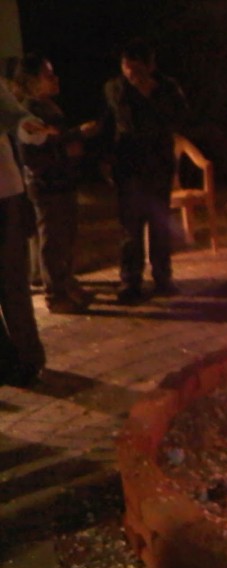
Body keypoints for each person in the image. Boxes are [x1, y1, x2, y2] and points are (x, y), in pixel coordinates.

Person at [102, 38, 188, 304]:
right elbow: (123, 121)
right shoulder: (116, 88)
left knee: (160, 225)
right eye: (126, 68)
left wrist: (151, 93)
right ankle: (131, 281)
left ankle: (163, 276)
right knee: (131, 228)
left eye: (136, 68)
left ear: (150, 66)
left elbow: (179, 117)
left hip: (159, 167)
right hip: (129, 168)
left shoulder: (167, 88)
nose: (130, 74)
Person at [15, 53, 98, 314]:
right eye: (48, 75)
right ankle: (55, 295)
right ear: (31, 82)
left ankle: (68, 284)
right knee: (52, 240)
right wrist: (73, 139)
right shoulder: (28, 112)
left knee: (67, 236)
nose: (55, 79)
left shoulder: (51, 107)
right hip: (46, 184)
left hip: (64, 181)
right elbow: (33, 151)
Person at [0, 79, 49, 387]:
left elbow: (13, 114)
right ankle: (6, 362)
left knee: (12, 283)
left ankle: (28, 359)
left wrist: (28, 124)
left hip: (3, 195)